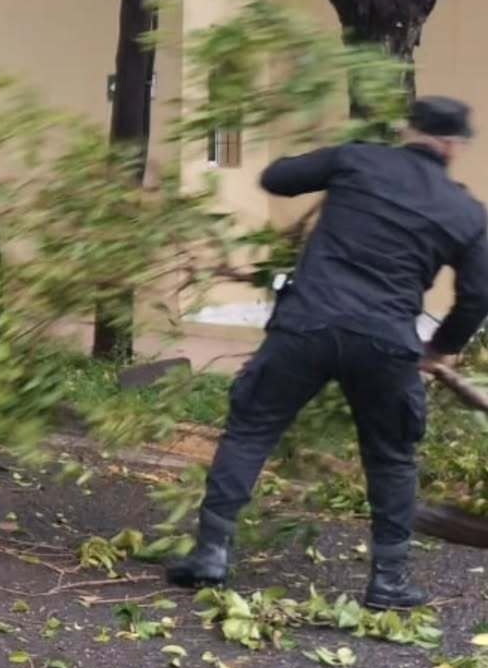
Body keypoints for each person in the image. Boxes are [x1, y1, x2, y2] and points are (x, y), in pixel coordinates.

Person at [167, 96, 488, 609]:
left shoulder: (357, 159)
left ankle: (210, 555)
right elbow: (477, 296)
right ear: (455, 146)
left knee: (251, 430)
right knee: (391, 457)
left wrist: (337, 163)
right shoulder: (467, 212)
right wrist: (440, 349)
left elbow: (276, 177)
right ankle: (388, 582)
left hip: (307, 325)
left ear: (409, 130)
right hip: (387, 342)